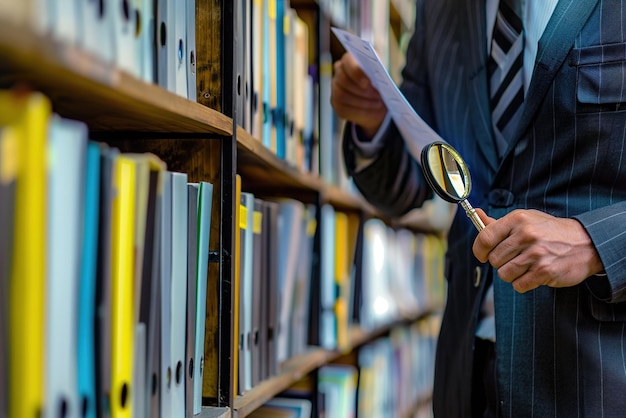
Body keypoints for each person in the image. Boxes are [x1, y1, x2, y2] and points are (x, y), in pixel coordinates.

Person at [330, 0, 626, 416]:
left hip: (597, 376)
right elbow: (405, 185)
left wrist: (593, 243)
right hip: (466, 376)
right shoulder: (439, 10)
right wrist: (373, 122)